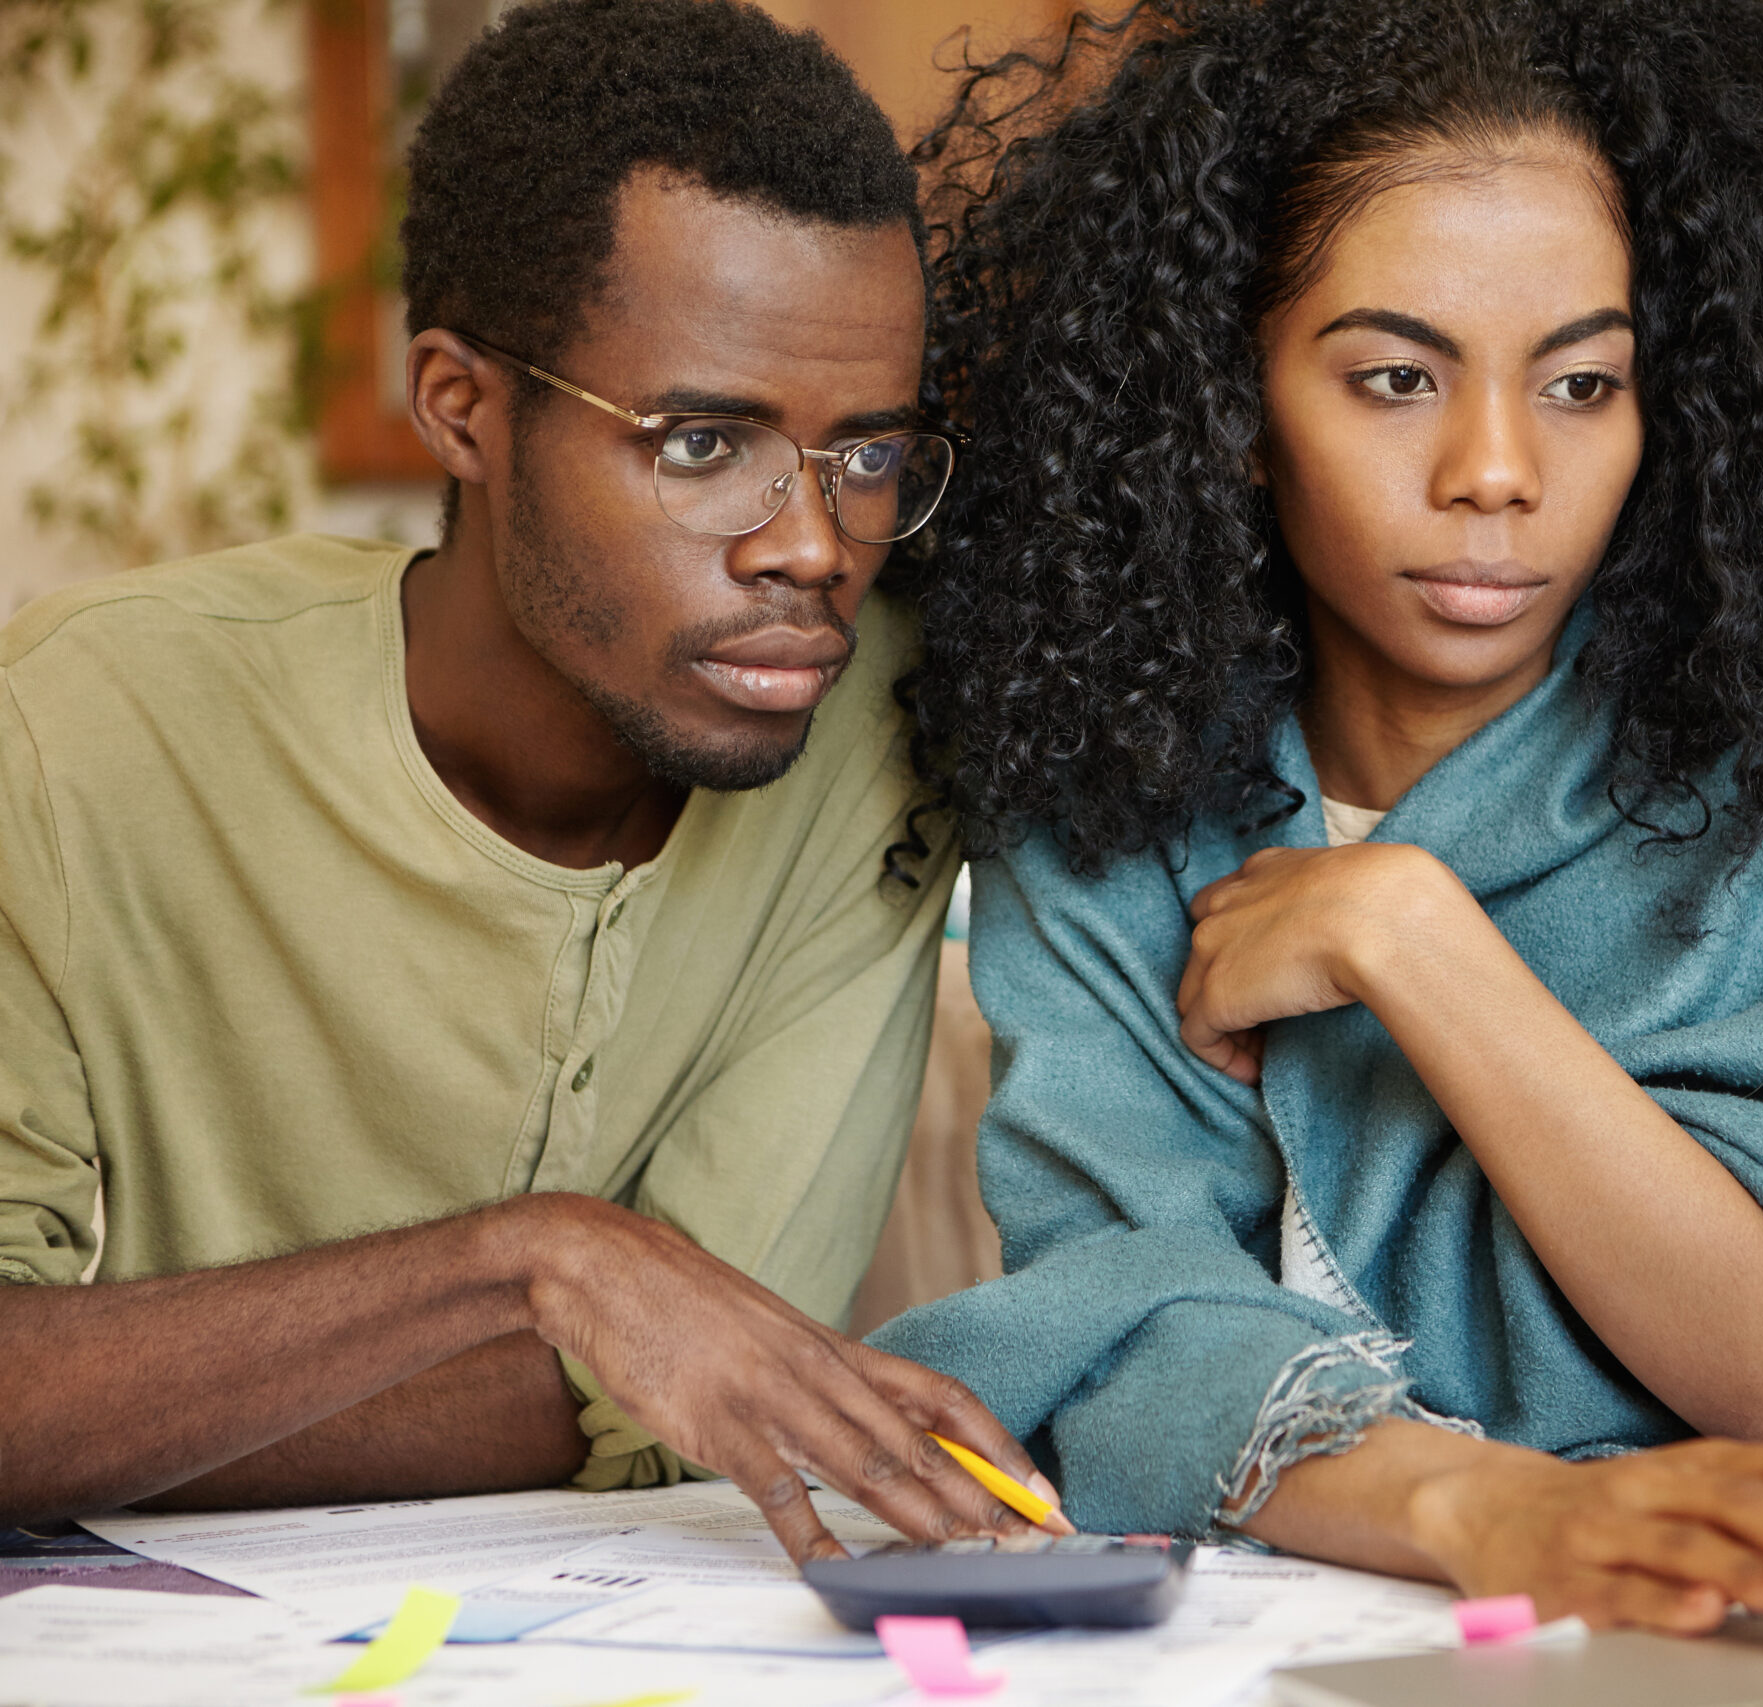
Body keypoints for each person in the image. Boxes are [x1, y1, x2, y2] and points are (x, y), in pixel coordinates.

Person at [872, 0, 1763, 1631]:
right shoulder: (1108, 790)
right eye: (1394, 377)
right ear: (1228, 409)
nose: (1498, 470)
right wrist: (1489, 1512)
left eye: (1583, 384)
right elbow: (1113, 1322)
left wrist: (1411, 939)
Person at [0, 0, 1062, 1559]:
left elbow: (710, 1387)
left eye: (870, 453)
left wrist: (115, 1399)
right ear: (461, 406)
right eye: (704, 443)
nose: (816, 544)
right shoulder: (73, 731)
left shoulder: (879, 737)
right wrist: (536, 1264)